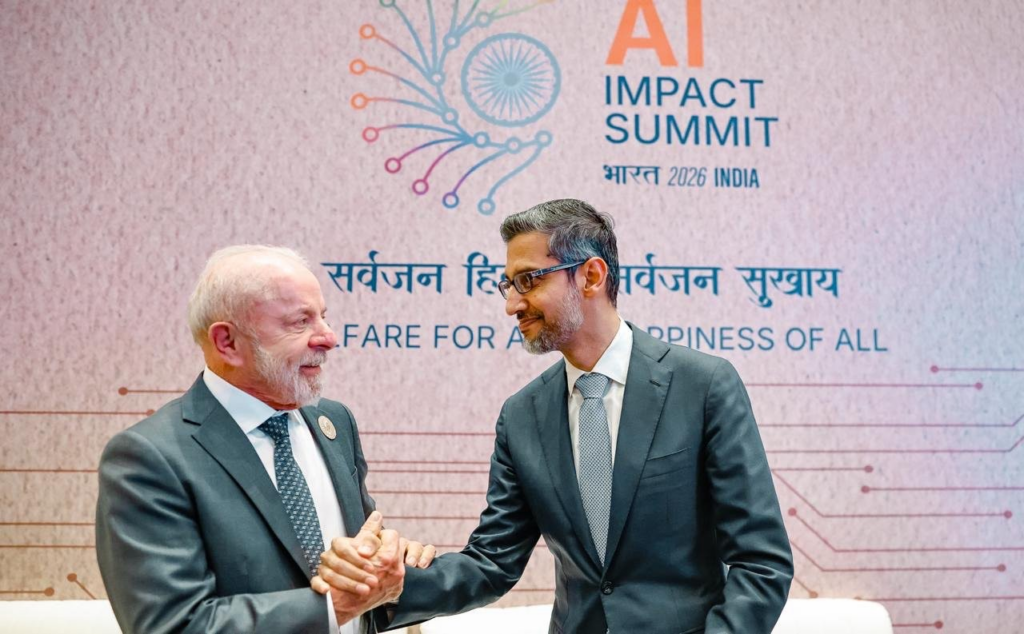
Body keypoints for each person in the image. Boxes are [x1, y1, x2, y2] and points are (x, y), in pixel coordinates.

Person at [319, 199, 794, 633]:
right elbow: (492, 562)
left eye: (529, 281)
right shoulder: (522, 416)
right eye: (508, 285)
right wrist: (391, 586)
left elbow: (761, 561)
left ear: (591, 276)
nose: (512, 304)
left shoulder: (703, 385)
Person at [95, 245, 434, 633]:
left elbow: (357, 568)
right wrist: (337, 606)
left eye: (323, 317)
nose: (328, 337)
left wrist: (389, 567)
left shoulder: (334, 422)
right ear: (227, 342)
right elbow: (172, 625)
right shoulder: (149, 457)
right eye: (300, 322)